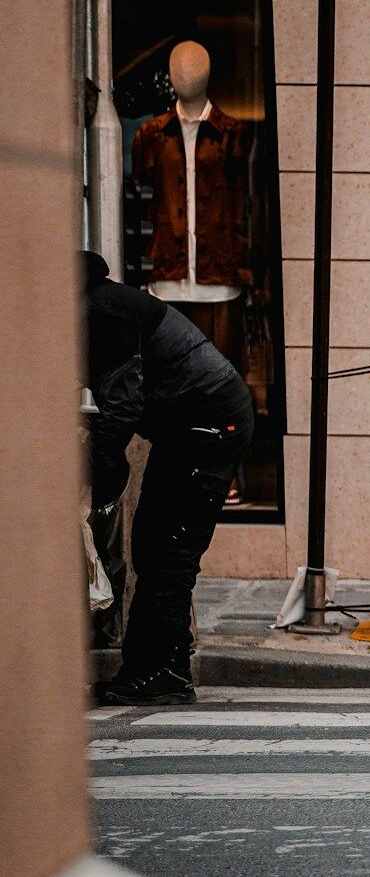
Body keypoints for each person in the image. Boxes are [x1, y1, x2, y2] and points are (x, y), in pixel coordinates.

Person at [84, 250, 254, 705]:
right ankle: (145, 669)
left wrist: (101, 473)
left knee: (168, 549)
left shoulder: (101, 310)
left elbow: (121, 406)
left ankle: (167, 672)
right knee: (154, 544)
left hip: (209, 422)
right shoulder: (98, 303)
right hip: (195, 421)